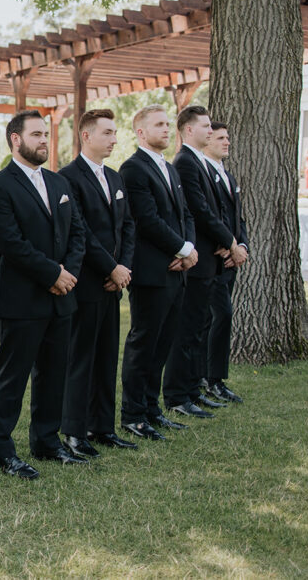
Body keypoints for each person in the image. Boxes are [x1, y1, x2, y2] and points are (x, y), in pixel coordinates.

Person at [0, 109, 87, 477]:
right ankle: (3, 451)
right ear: (16, 139)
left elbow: (77, 233)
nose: (45, 140)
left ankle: (46, 441)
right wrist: (52, 273)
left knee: (54, 372)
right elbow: (10, 242)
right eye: (37, 134)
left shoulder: (59, 184)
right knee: (12, 376)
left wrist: (68, 274)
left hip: (61, 296)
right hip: (22, 298)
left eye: (47, 134)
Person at [57, 109, 137, 458]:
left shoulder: (116, 178)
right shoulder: (67, 177)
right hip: (87, 281)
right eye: (107, 133)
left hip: (113, 282)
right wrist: (109, 268)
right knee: (81, 359)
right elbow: (81, 232)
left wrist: (124, 268)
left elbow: (128, 227)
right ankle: (74, 432)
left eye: (115, 133)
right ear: (86, 136)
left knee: (106, 356)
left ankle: (103, 427)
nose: (114, 139)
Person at [118, 105, 196, 441]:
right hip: (151, 271)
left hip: (177, 270)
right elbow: (147, 221)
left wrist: (189, 249)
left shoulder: (170, 167)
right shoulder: (133, 169)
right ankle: (133, 415)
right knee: (144, 343)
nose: (167, 129)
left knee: (164, 342)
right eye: (159, 125)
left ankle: (152, 409)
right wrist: (183, 249)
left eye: (168, 124)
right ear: (140, 132)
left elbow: (186, 214)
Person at [166, 105, 244, 419]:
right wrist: (229, 242)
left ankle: (192, 390)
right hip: (198, 259)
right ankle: (178, 395)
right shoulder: (186, 162)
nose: (210, 132)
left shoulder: (200, 162)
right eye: (206, 127)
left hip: (212, 260)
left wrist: (234, 243)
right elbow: (199, 211)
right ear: (188, 130)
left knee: (199, 328)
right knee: (188, 330)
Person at [202, 122, 247, 403]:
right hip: (213, 259)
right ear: (207, 141)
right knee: (220, 315)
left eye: (228, 138)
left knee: (216, 317)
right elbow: (206, 216)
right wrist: (226, 246)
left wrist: (240, 245)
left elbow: (238, 218)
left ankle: (209, 377)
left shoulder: (228, 176)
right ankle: (212, 379)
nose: (226, 142)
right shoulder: (203, 173)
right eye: (220, 138)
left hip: (231, 259)